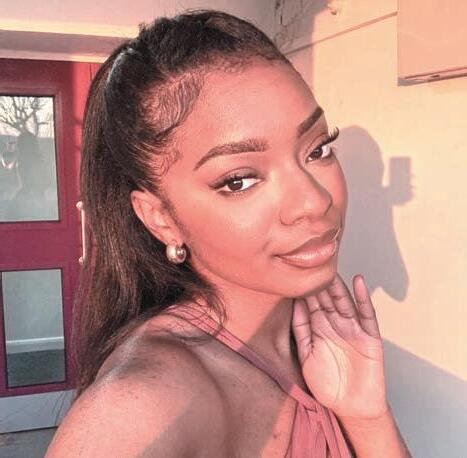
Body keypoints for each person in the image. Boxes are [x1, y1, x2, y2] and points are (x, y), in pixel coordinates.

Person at [46, 9, 411, 457]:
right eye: (239, 180)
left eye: (317, 149)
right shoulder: (141, 404)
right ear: (160, 218)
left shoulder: (314, 344)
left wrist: (367, 417)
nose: (314, 201)